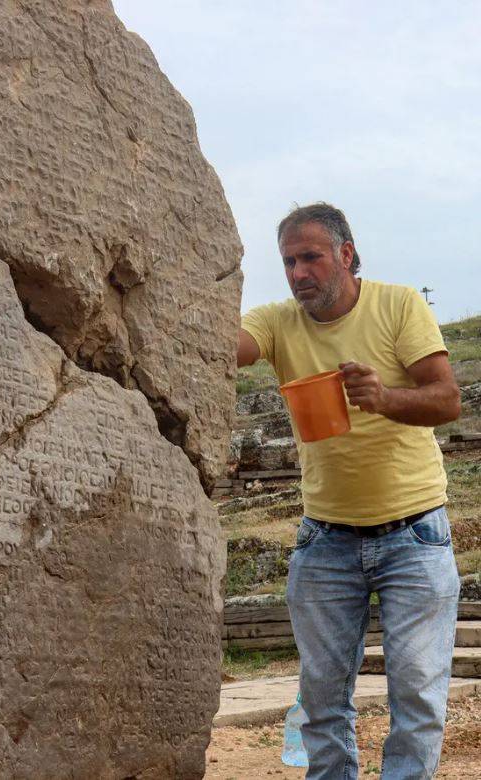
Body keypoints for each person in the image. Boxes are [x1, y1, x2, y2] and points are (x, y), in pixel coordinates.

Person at [237, 203, 461, 780]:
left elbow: (446, 399)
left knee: (416, 697)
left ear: (345, 253)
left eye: (310, 256)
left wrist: (383, 398)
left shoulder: (399, 304)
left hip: (414, 532)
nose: (297, 272)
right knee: (320, 700)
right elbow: (228, 347)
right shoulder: (279, 320)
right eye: (288, 261)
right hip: (325, 538)